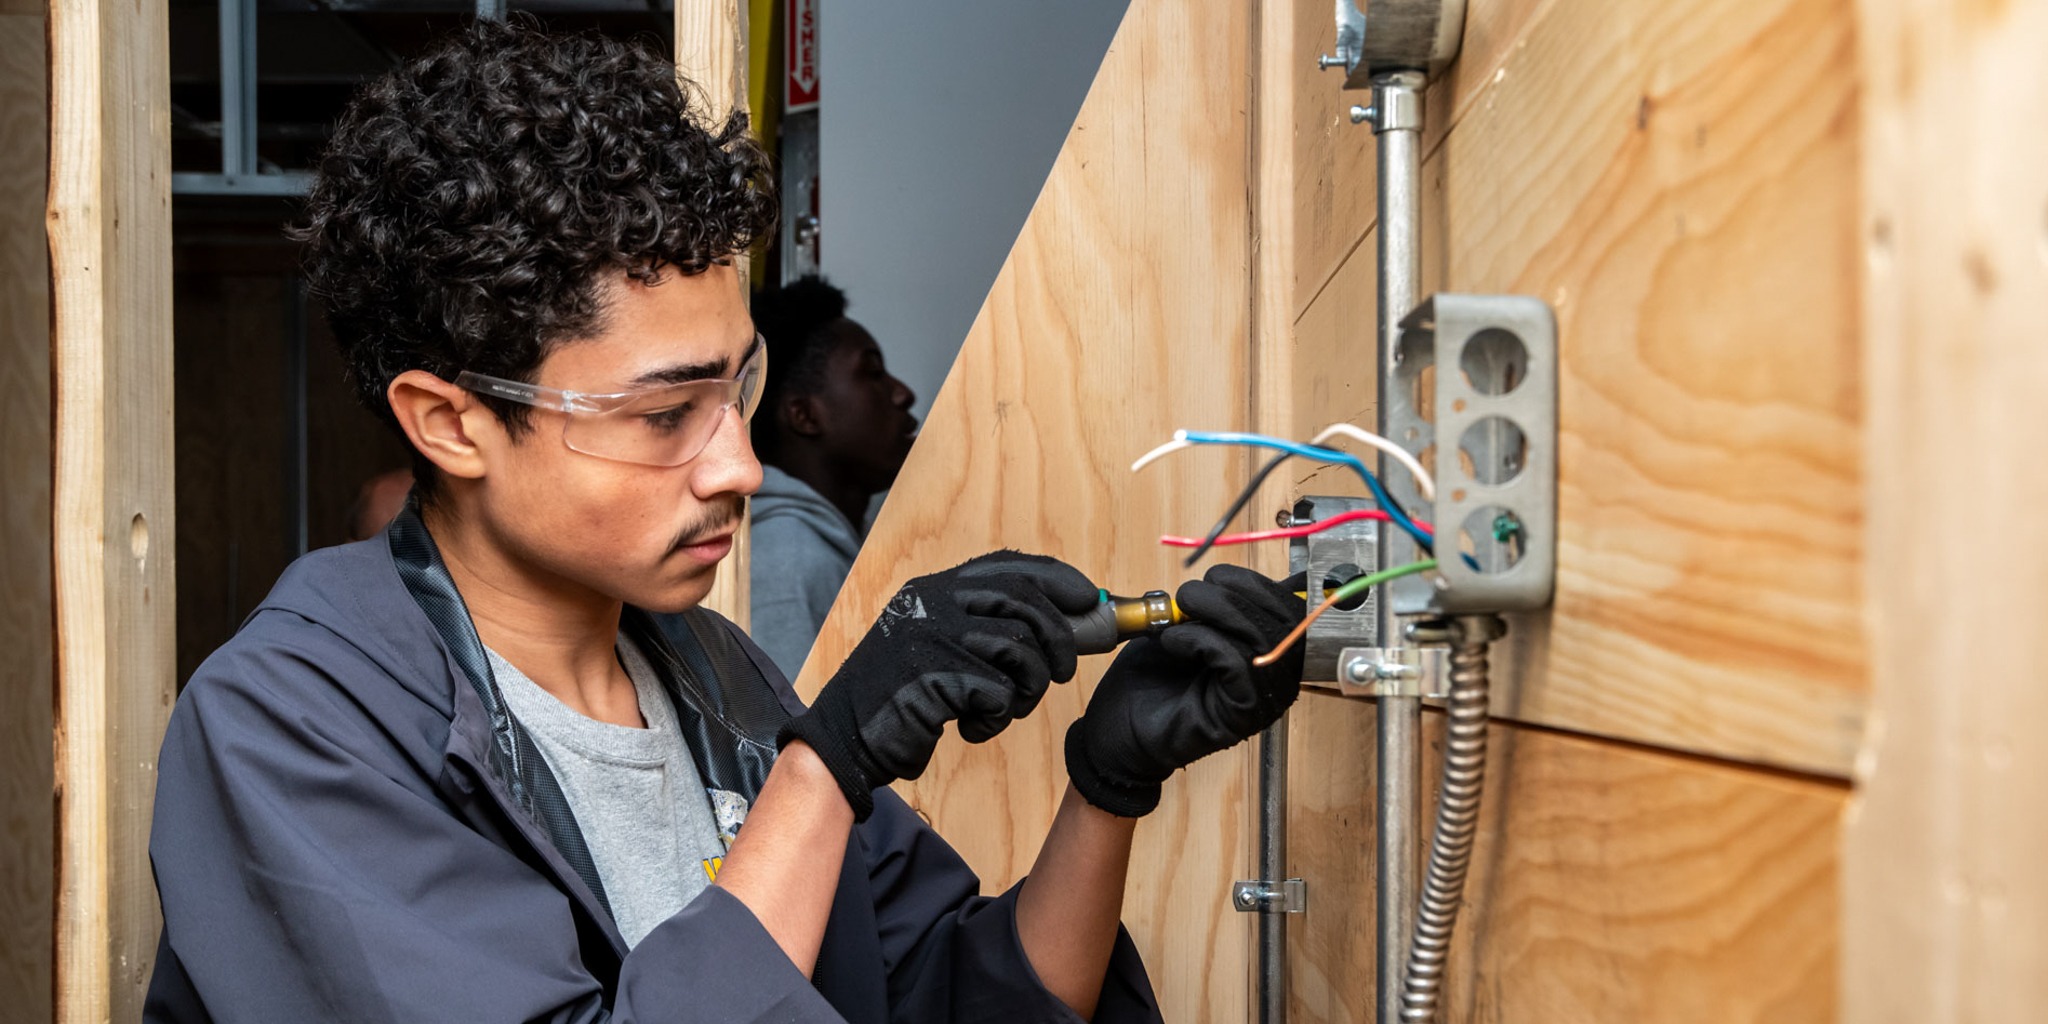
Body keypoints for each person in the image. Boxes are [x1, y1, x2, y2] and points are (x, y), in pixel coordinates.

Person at [145, 21, 1305, 1024]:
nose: (741, 467)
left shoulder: (713, 678)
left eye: (739, 391)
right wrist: (825, 767)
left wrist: (1105, 788)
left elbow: (957, 997)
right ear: (450, 424)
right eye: (662, 415)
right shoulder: (289, 726)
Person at [745, 275, 917, 677]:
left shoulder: (820, 543)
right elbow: (780, 733)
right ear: (804, 415)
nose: (902, 393)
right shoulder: (789, 556)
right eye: (872, 373)